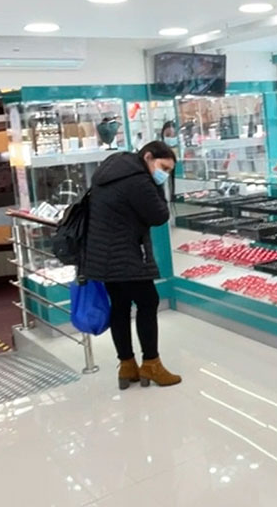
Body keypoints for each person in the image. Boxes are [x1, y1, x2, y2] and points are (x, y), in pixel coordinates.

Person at [82, 141, 181, 390]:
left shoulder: (111, 170)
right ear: (148, 157)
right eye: (163, 168)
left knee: (120, 306)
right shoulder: (138, 180)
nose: (164, 174)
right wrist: (157, 186)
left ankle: (127, 365)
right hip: (126, 253)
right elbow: (159, 216)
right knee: (148, 302)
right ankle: (151, 364)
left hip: (102, 253)